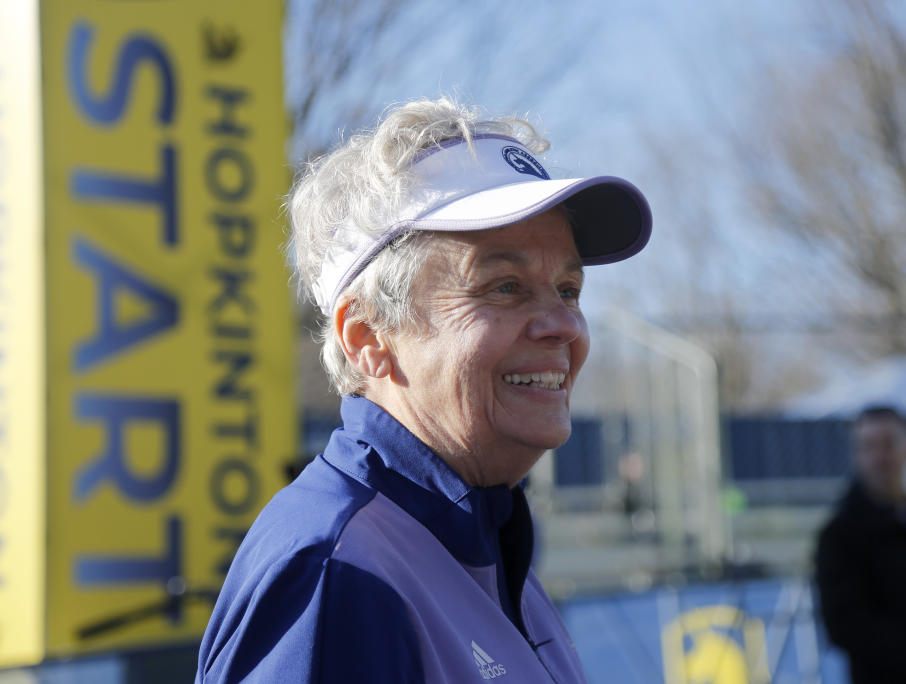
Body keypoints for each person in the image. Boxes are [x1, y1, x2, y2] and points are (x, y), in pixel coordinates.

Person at [195, 97, 652, 682]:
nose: (562, 325)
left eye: (567, 289)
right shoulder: (338, 574)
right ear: (367, 337)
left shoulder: (484, 547)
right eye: (505, 287)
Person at [815, 406, 906, 684]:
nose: (880, 457)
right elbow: (845, 626)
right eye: (868, 446)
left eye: (889, 443)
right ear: (857, 455)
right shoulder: (840, 537)